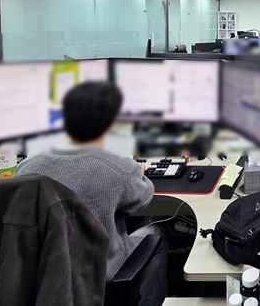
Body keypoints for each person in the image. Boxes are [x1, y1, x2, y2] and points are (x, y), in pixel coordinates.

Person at [15, 81, 166, 306]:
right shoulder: (119, 168)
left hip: (44, 282)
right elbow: (142, 200)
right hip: (100, 278)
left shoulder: (26, 167)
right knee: (157, 231)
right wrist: (136, 171)